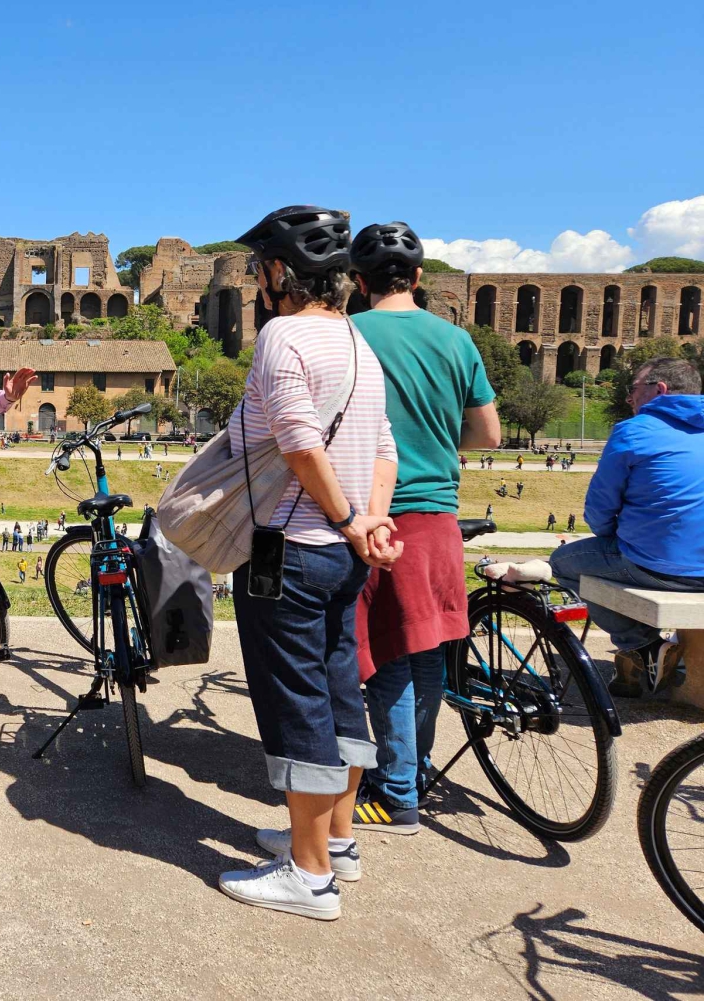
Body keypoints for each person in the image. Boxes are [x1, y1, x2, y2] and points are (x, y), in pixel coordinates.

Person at [220, 206, 400, 921]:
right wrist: (370, 521)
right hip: (344, 555)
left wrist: (349, 518)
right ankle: (337, 838)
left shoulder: (283, 336)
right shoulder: (359, 341)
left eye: (261, 266)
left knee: (294, 701)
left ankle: (308, 872)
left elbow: (298, 444)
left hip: (285, 550)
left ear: (280, 271)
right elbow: (385, 446)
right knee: (337, 689)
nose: (258, 282)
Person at [347, 221, 500, 835]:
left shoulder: (350, 334)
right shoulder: (456, 341)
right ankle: (418, 767)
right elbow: (487, 434)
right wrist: (438, 441)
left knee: (387, 659)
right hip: (439, 518)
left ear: (358, 283)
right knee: (428, 652)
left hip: (379, 519)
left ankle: (397, 793)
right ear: (417, 279)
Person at [550, 358, 704, 697]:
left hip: (659, 565)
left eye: (633, 389)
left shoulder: (635, 431)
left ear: (659, 390)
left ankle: (643, 645)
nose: (629, 398)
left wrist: (612, 535)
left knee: (562, 563)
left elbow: (600, 510)